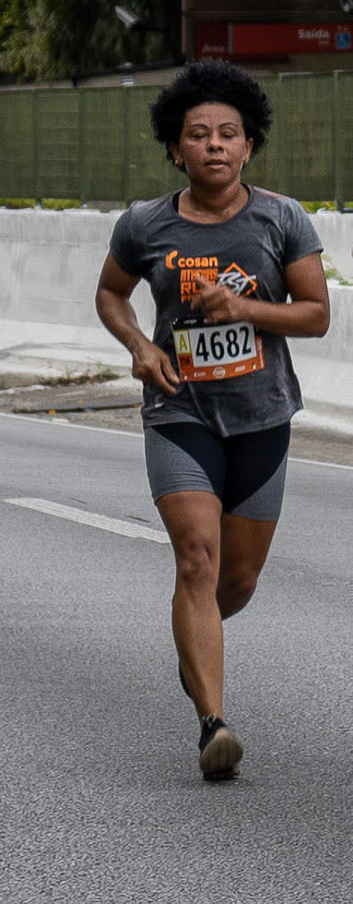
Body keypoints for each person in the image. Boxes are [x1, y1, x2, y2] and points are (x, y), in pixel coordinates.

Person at [95, 60, 329, 781]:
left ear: (249, 145)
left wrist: (245, 309)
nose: (215, 146)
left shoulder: (282, 219)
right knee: (196, 556)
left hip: (260, 415)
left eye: (229, 134)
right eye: (199, 135)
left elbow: (316, 315)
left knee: (238, 580)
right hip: (179, 412)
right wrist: (138, 346)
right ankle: (213, 726)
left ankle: (193, 651)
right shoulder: (145, 223)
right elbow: (110, 293)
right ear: (176, 148)